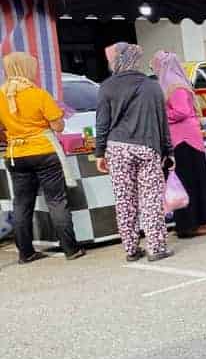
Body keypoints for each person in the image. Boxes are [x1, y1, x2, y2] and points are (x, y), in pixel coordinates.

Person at [0, 52, 83, 263]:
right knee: (56, 200)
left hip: (15, 155)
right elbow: (58, 125)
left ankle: (25, 253)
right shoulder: (38, 94)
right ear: (27, 68)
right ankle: (70, 249)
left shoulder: (1, 95)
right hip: (43, 151)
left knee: (21, 204)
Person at [95, 43, 172, 262]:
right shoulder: (152, 86)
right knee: (150, 199)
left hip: (118, 149)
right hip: (147, 147)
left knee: (124, 200)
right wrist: (169, 150)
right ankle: (156, 248)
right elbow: (162, 122)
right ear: (135, 60)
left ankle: (131, 249)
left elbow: (102, 123)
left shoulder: (107, 87)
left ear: (117, 60)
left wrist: (100, 152)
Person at [151, 51, 206, 239]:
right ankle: (199, 222)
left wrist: (160, 116)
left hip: (182, 140)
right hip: (189, 138)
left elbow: (182, 111)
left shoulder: (172, 83)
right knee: (195, 180)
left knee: (185, 183)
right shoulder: (176, 80)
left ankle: (189, 225)